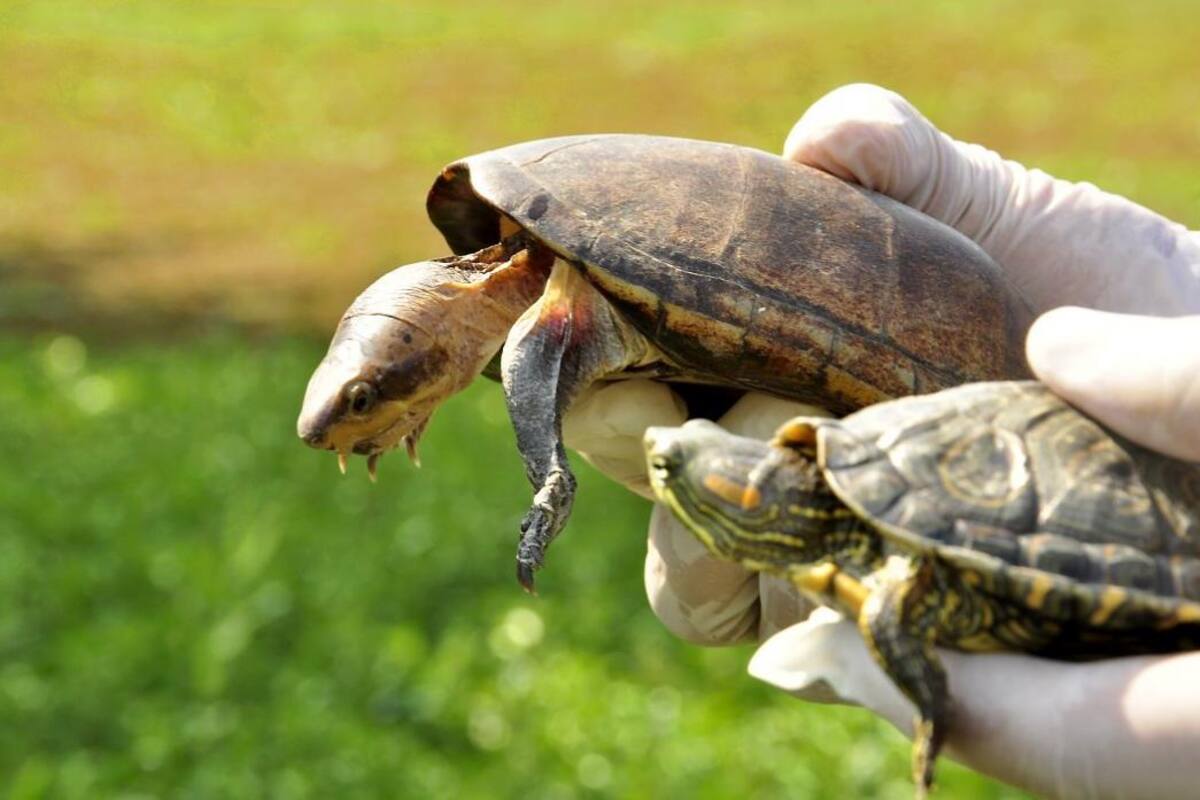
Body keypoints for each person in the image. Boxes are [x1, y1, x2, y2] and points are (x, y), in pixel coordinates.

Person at [561, 84, 1200, 799]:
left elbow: (911, 577)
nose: (668, 452)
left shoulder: (872, 548)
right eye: (680, 469)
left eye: (673, 466)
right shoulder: (848, 506)